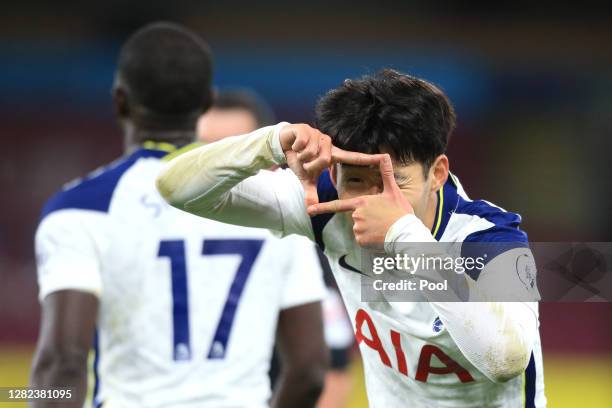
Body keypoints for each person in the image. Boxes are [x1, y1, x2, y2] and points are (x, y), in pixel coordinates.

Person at [156, 69, 546, 407]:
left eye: (398, 180)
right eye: (357, 179)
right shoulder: (325, 203)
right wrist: (271, 143)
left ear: (438, 172)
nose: (374, 200)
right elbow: (175, 186)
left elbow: (506, 358)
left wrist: (402, 235)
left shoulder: (494, 239)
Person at [30, 22, 328, 408]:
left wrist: (17, 393)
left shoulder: (79, 207)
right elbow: (309, 370)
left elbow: (62, 363)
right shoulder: (277, 206)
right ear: (206, 103)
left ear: (120, 100)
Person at [197, 89, 356, 408]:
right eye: (206, 153)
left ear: (269, 161)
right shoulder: (155, 240)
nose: (219, 170)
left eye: (234, 152)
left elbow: (331, 373)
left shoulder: (306, 242)